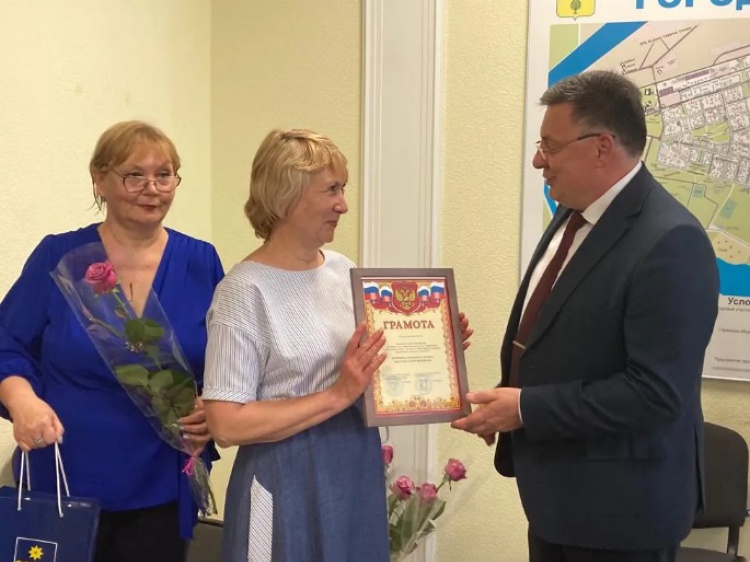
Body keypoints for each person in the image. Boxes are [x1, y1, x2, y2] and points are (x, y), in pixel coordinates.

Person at [452, 70, 720, 562]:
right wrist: (505, 400)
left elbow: (656, 393)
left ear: (601, 147)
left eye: (550, 147)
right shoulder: (573, 214)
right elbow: (563, 343)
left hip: (622, 515)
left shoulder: (671, 241)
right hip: (557, 500)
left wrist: (525, 408)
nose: (539, 160)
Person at [202, 128, 472, 562]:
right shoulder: (243, 291)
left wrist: (434, 345)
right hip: (285, 477)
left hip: (354, 467)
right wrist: (336, 395)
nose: (343, 204)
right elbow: (226, 424)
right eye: (331, 189)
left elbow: (362, 372)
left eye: (343, 188)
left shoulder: (343, 270)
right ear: (286, 195)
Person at [0, 121, 224, 562]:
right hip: (64, 479)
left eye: (164, 175)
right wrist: (21, 399)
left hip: (162, 480)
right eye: (134, 175)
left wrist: (213, 405)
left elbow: (230, 357)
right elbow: (7, 342)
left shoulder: (200, 261)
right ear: (99, 180)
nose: (152, 189)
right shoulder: (61, 257)